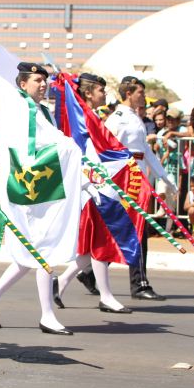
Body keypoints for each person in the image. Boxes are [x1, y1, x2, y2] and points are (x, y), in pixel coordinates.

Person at [0, 62, 76, 335]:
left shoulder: (41, 110)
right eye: (36, 80)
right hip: (27, 184)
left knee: (30, 252)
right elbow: (40, 143)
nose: (43, 84)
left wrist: (73, 152)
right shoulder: (18, 106)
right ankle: (47, 315)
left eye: (45, 80)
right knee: (43, 250)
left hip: (43, 181)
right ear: (22, 84)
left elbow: (52, 139)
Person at [53, 73, 132, 313]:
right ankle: (106, 296)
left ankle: (61, 283)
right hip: (89, 187)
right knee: (100, 238)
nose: (104, 95)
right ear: (88, 93)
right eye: (100, 90)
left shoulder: (93, 117)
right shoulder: (81, 119)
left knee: (89, 245)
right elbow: (82, 153)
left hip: (97, 184)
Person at [104, 76, 177, 300]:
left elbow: (145, 151)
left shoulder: (135, 118)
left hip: (136, 179)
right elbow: (105, 147)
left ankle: (86, 272)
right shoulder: (117, 118)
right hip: (124, 181)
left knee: (123, 231)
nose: (143, 97)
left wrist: (164, 177)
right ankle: (139, 284)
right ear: (129, 94)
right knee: (133, 231)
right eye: (140, 93)